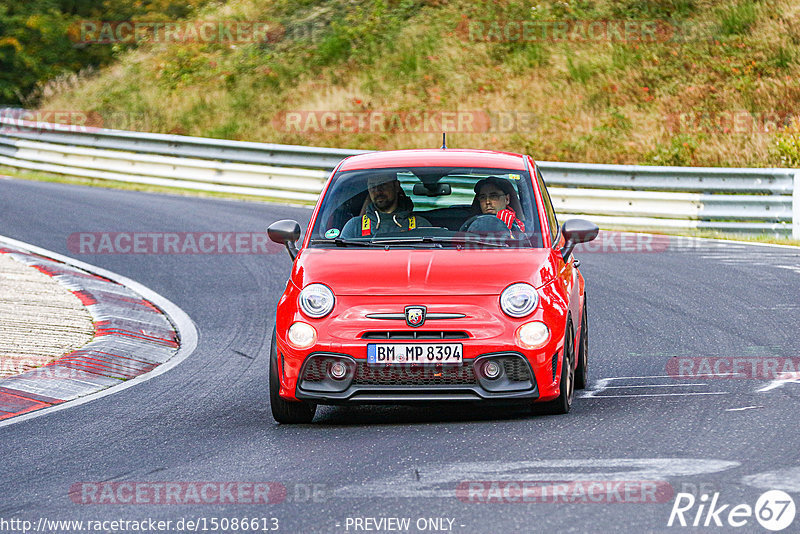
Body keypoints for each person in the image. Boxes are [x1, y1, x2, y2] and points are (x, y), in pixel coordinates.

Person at [340, 174, 431, 237]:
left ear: (396, 186)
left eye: (383, 185)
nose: (378, 191)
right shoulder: (355, 226)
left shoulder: (420, 225)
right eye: (372, 186)